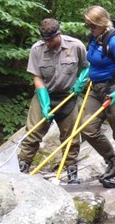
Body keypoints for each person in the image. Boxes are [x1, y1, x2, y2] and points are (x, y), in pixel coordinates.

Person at [20, 18, 88, 183]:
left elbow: (88, 66)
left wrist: (81, 81)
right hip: (45, 94)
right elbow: (37, 78)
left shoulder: (76, 46)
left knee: (71, 138)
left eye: (51, 39)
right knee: (32, 134)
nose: (48, 43)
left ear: (59, 33)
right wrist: (44, 103)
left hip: (68, 96)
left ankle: (72, 174)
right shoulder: (37, 50)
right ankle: (22, 171)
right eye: (45, 40)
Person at [81, 5, 115, 189]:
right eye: (88, 25)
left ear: (102, 23)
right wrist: (82, 78)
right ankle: (113, 162)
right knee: (87, 128)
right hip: (96, 89)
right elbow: (93, 62)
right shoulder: (95, 37)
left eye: (92, 25)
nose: (90, 28)